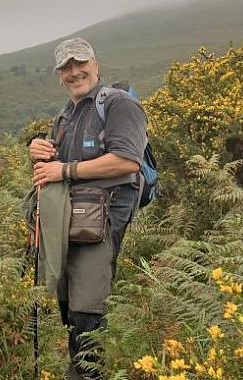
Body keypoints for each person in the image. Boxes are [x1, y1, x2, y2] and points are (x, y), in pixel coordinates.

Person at [29, 37, 147, 379]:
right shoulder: (65, 116)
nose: (74, 71)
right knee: (70, 308)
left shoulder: (118, 104)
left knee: (87, 310)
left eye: (80, 63)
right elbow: (52, 170)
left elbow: (127, 162)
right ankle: (79, 372)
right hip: (71, 223)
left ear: (95, 64)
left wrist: (64, 170)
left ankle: (87, 375)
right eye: (66, 67)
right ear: (58, 75)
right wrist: (40, 153)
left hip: (102, 223)